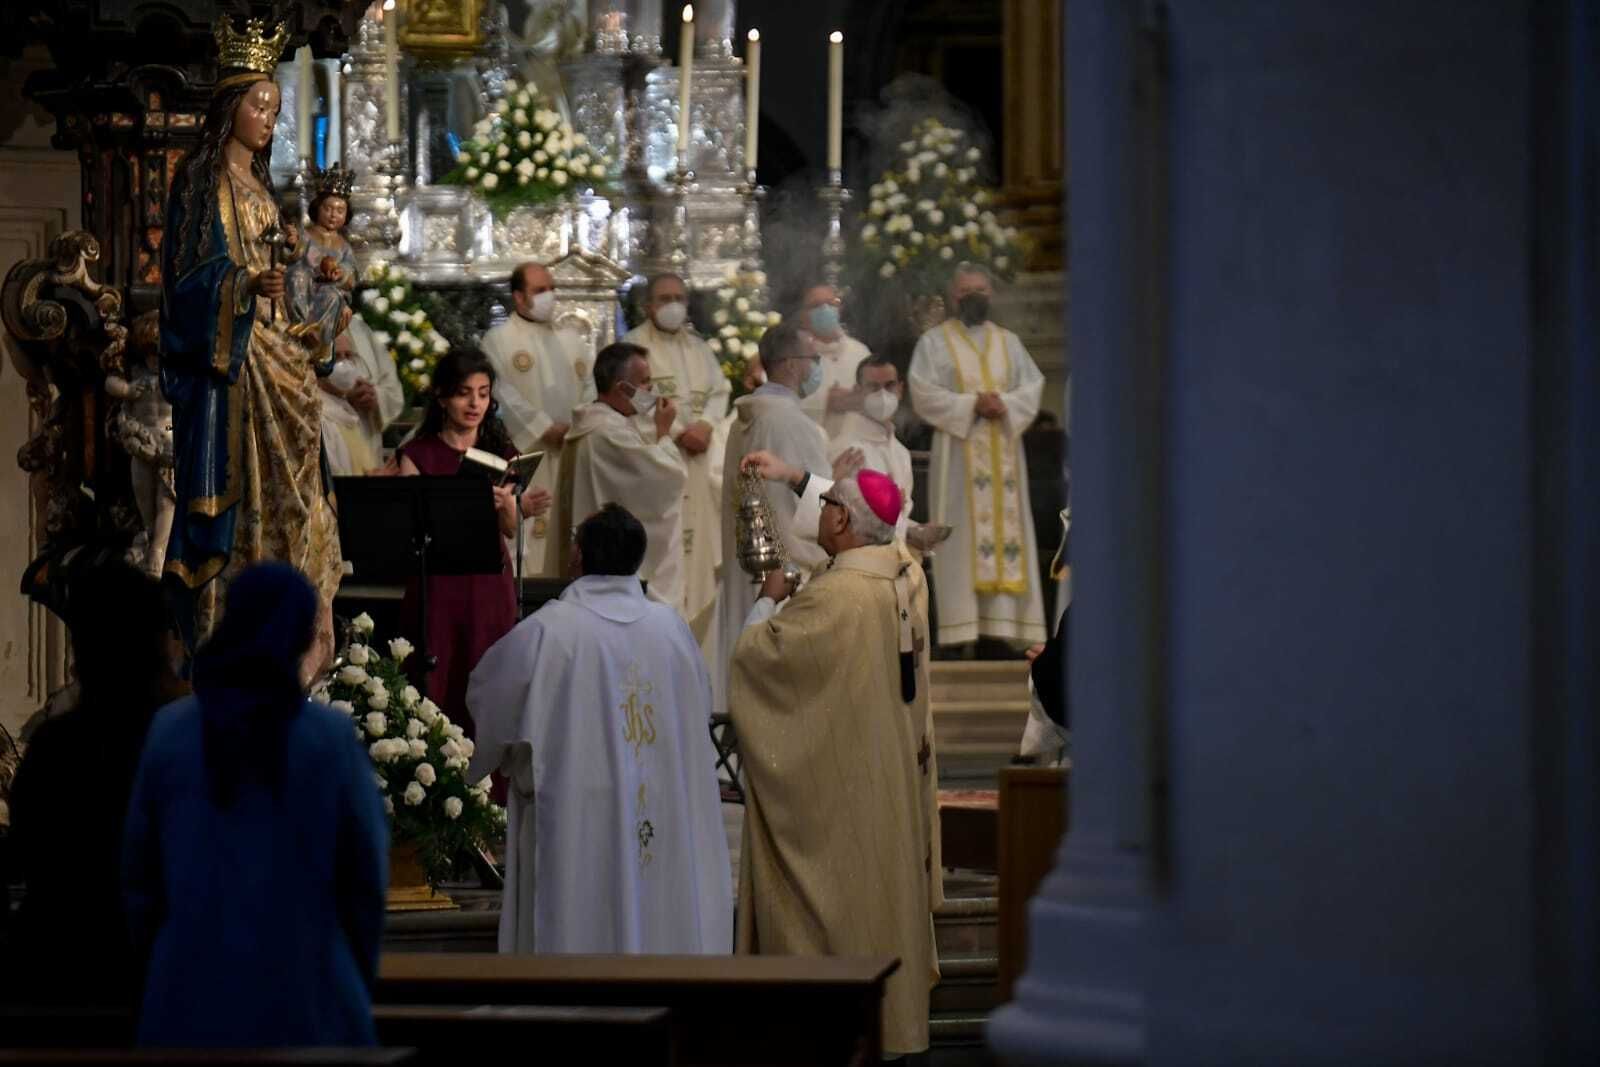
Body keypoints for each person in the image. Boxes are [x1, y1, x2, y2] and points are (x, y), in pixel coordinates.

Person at [122, 562, 388, 1047]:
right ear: (300, 637)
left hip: (187, 1002)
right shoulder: (327, 740)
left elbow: (141, 881)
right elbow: (365, 880)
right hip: (307, 1003)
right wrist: (352, 976)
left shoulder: (172, 731)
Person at [729, 464, 942, 1059]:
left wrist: (769, 605)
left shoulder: (834, 597)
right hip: (890, 789)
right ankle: (892, 1026)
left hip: (840, 802)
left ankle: (829, 1037)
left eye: (827, 507)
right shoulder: (906, 576)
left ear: (843, 519)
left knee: (838, 909)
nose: (820, 515)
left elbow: (757, 663)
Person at [466, 504, 732, 954]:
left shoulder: (548, 633)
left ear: (578, 557)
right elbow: (699, 710)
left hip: (575, 817)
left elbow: (488, 697)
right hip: (660, 810)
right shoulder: (672, 630)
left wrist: (499, 762)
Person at [160, 16, 342, 654]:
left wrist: (304, 279)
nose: (268, 118)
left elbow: (279, 274)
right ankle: (228, 626)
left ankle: (292, 620)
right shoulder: (201, 180)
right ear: (229, 107)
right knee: (244, 500)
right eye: (258, 105)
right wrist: (239, 287)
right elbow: (185, 282)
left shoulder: (265, 188)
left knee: (299, 491)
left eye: (275, 107)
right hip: (235, 364)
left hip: (278, 351)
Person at [5, 563, 184, 1009]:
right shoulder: (189, 746)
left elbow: (26, 855)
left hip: (57, 981)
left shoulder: (54, 747)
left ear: (82, 651)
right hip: (163, 982)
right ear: (160, 646)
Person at [396, 349, 550, 733]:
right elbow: (411, 525)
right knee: (438, 682)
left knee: (488, 681)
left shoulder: (503, 454)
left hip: (489, 584)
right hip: (438, 583)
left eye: (483, 393)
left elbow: (511, 531)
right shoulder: (418, 453)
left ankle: (490, 785)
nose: (475, 403)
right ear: (443, 396)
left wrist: (506, 504)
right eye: (465, 393)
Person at [908, 262, 1048, 648]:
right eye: (967, 290)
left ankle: (1006, 631)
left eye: (982, 290)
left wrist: (1003, 403)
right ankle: (963, 629)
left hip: (1004, 454)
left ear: (991, 295)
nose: (975, 297)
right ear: (954, 297)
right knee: (961, 536)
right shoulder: (934, 342)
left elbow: (1033, 385)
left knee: (1009, 536)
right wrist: (972, 404)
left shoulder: (1009, 342)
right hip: (957, 457)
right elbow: (922, 391)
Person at [711, 319, 831, 715]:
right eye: (813, 359)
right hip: (787, 578)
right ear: (792, 364)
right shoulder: (790, 422)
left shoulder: (745, 419)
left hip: (750, 565)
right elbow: (822, 511)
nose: (817, 368)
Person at [622, 273, 726, 644]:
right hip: (661, 456)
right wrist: (682, 431)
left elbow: (719, 391)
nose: (674, 305)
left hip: (699, 466)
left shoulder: (699, 348)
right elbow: (632, 394)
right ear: (649, 306)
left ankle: (698, 639)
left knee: (700, 561)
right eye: (665, 298)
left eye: (680, 297)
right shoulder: (632, 345)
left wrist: (708, 425)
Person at [480, 261, 593, 574]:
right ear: (518, 297)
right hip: (527, 451)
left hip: (571, 448)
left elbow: (591, 388)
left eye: (552, 289)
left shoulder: (572, 340)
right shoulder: (498, 340)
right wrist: (543, 427)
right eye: (540, 290)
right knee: (534, 538)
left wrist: (578, 426)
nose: (550, 296)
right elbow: (500, 392)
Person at [559, 342, 688, 612]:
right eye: (645, 383)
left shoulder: (602, 423)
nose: (651, 391)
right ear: (621, 388)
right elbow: (670, 478)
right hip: (614, 572)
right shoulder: (607, 432)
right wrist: (663, 431)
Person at [827, 355, 914, 538]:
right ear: (858, 392)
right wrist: (911, 532)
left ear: (900, 389)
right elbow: (848, 519)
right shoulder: (845, 448)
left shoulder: (902, 453)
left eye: (889, 386)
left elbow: (902, 515)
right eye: (873, 387)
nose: (883, 395)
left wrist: (915, 529)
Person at [796, 282, 871, 438]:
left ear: (839, 309)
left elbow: (875, 399)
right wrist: (826, 402)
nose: (825, 310)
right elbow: (780, 405)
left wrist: (861, 400)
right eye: (816, 305)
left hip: (854, 447)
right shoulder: (794, 355)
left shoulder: (860, 352)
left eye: (831, 304)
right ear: (802, 316)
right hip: (807, 445)